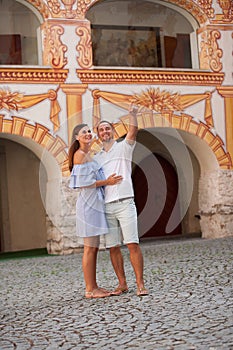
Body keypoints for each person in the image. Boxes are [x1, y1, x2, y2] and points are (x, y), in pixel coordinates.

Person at [94, 107, 149, 296]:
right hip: (107, 206)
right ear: (98, 134)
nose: (105, 132)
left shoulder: (124, 146)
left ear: (113, 131)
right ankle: (122, 284)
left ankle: (140, 284)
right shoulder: (96, 158)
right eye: (101, 130)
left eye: (107, 129)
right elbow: (91, 181)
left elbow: (133, 131)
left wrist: (133, 116)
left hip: (125, 202)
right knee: (113, 247)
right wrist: (106, 182)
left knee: (132, 243)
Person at [68, 123, 123, 299]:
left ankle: (94, 286)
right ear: (77, 137)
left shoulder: (88, 155)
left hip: (95, 204)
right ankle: (90, 289)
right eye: (83, 132)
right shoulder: (79, 155)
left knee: (94, 247)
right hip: (88, 205)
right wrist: (107, 182)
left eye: (89, 131)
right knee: (90, 248)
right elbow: (84, 184)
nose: (88, 134)